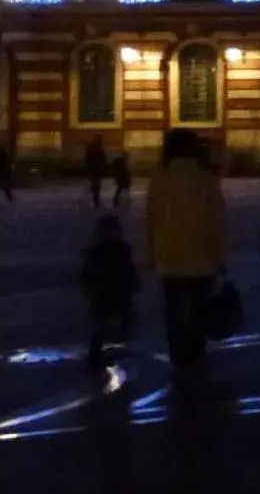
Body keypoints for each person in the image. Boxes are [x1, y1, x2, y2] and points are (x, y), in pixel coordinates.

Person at [145, 127, 227, 370]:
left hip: (169, 255)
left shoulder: (160, 178)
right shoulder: (206, 179)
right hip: (202, 255)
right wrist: (219, 254)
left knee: (173, 309)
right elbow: (216, 218)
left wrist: (151, 252)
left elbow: (152, 219)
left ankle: (178, 352)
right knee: (200, 307)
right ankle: (196, 350)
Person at [81, 213, 139, 372]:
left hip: (107, 295)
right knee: (107, 324)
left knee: (104, 325)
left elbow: (87, 275)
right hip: (111, 294)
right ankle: (101, 354)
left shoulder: (97, 253)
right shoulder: (119, 251)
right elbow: (129, 271)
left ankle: (99, 354)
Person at [84, 135, 109, 208]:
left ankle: (95, 199)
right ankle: (96, 199)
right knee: (96, 185)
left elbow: (88, 159)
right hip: (97, 169)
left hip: (93, 170)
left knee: (95, 185)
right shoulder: (97, 148)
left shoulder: (91, 148)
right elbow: (102, 157)